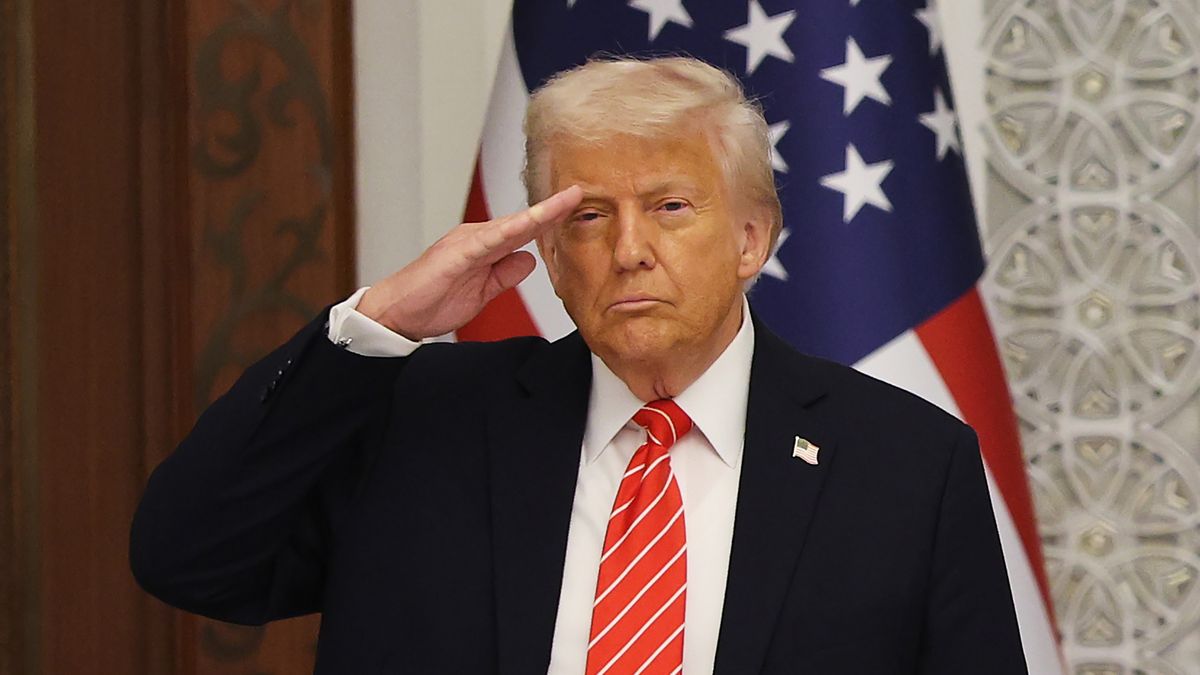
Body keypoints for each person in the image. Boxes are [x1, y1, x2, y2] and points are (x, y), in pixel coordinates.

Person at [131, 56, 1028, 674]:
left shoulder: (908, 465)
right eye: (588, 216)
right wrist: (377, 324)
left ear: (753, 238)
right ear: (550, 258)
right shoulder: (421, 423)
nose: (628, 249)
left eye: (670, 205)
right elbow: (187, 557)